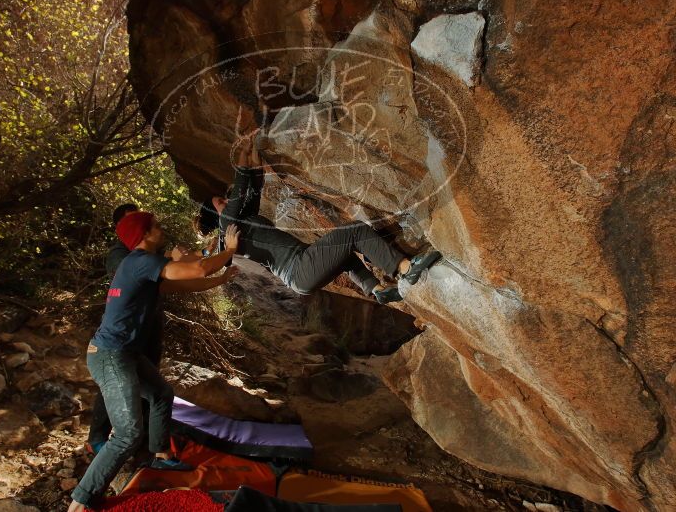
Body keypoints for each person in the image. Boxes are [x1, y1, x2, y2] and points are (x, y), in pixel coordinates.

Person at [67, 212, 241, 512]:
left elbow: (186, 282)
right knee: (127, 434)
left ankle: (160, 456)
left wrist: (222, 277)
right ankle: (81, 501)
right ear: (146, 234)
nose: (162, 230)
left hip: (126, 354)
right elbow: (198, 268)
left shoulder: (142, 267)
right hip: (110, 356)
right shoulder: (139, 261)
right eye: (157, 226)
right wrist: (230, 250)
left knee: (161, 394)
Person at [196, 130, 441, 304]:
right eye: (220, 202)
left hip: (301, 269)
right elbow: (240, 187)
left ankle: (377, 290)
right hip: (298, 269)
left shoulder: (242, 219)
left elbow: (254, 183)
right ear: (214, 213)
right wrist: (241, 153)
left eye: (224, 200)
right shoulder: (226, 224)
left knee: (344, 256)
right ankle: (405, 268)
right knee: (353, 231)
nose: (225, 201)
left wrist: (252, 148)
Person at [87, 204, 216, 455]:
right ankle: (101, 438)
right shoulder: (121, 255)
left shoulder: (147, 254)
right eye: (133, 221)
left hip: (145, 326)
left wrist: (201, 253)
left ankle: (151, 441)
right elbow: (153, 271)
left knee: (155, 390)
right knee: (116, 387)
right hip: (122, 333)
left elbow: (169, 265)